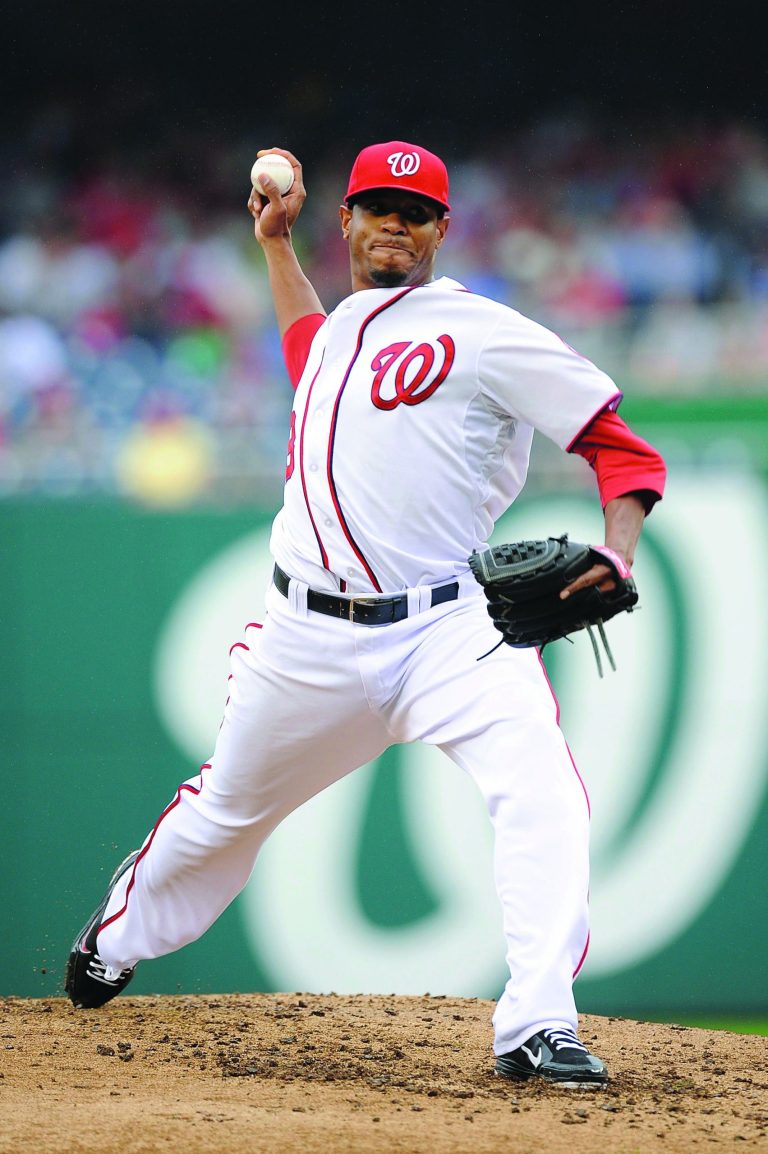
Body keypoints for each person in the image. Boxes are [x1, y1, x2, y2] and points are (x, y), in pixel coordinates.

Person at [66, 140, 666, 1088]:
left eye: (416, 210)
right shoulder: (342, 325)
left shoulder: (482, 330)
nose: (397, 222)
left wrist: (618, 548)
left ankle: (537, 1022)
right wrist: (274, 249)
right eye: (378, 206)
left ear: (442, 229)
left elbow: (619, 446)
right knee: (226, 811)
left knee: (542, 790)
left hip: (451, 629)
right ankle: (116, 940)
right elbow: (309, 351)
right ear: (344, 220)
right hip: (304, 638)